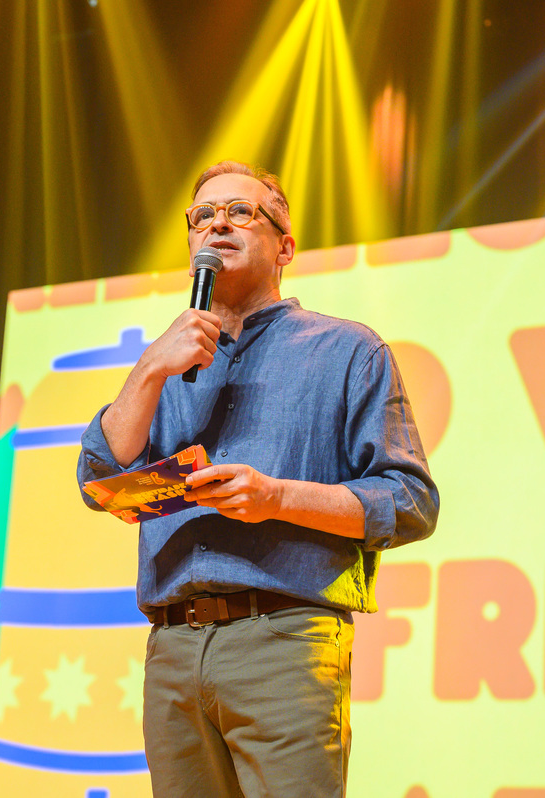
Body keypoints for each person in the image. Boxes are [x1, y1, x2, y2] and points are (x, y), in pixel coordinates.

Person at [77, 160, 439, 797]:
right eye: (202, 216)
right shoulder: (166, 361)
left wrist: (277, 497)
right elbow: (98, 478)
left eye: (240, 212)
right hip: (173, 648)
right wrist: (151, 368)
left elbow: (409, 501)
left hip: (284, 639)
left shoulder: (348, 351)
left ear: (285, 248)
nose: (217, 225)